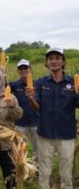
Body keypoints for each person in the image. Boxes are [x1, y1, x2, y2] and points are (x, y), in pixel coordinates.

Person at [26, 47, 79, 189]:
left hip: (66, 135)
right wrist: (31, 99)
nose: (54, 61)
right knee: (44, 172)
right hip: (45, 135)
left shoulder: (73, 82)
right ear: (46, 63)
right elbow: (37, 107)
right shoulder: (40, 83)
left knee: (66, 173)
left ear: (63, 62)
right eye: (50, 58)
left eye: (57, 58)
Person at [10, 59, 39, 162]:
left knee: (38, 148)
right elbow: (3, 90)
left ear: (30, 69)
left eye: (25, 68)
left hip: (36, 121)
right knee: (20, 148)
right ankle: (22, 167)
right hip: (20, 122)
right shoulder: (14, 85)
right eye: (20, 68)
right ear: (18, 71)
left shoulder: (38, 84)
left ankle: (37, 168)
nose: (23, 70)